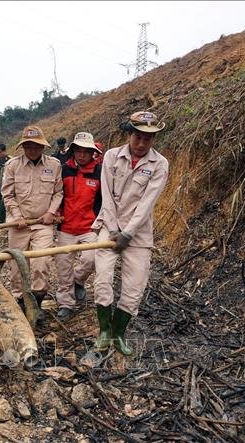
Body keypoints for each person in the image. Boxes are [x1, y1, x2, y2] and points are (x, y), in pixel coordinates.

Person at [92, 111, 169, 356]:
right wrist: (114, 230)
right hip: (109, 226)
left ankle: (118, 333)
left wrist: (128, 233)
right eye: (138, 136)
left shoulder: (159, 164)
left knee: (135, 284)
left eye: (148, 138)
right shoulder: (112, 157)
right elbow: (106, 195)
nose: (142, 142)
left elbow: (148, 202)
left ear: (154, 138)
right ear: (130, 134)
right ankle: (104, 330)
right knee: (103, 277)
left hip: (139, 232)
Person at [1, 126, 63, 319]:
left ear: (42, 146)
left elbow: (58, 192)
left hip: (42, 223)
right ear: (23, 146)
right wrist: (17, 216)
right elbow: (7, 194)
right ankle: (19, 300)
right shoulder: (12, 165)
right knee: (17, 263)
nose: (32, 149)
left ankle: (37, 302)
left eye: (36, 145)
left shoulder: (54, 165)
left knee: (41, 261)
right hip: (18, 223)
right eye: (28, 145)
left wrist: (51, 212)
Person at [54, 132, 102, 321]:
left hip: (89, 227)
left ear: (93, 153)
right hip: (66, 227)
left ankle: (78, 280)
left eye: (86, 152)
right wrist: (56, 212)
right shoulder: (64, 170)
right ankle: (66, 303)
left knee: (91, 259)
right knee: (63, 266)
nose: (81, 155)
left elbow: (103, 200)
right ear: (72, 151)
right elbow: (57, 194)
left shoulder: (99, 172)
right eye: (78, 151)